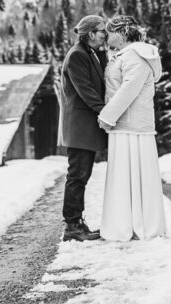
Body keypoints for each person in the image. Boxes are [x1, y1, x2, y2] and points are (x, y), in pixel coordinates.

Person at [98, 15, 166, 241]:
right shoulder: (131, 54)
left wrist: (107, 116)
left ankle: (135, 225)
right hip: (128, 124)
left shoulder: (135, 55)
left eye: (110, 31)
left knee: (131, 174)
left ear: (122, 32)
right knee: (130, 175)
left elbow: (129, 89)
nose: (107, 36)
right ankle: (130, 223)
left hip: (130, 126)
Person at [59, 14, 108, 242]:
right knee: (77, 175)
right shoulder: (77, 56)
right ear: (90, 34)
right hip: (80, 127)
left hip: (84, 128)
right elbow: (86, 91)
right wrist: (107, 112)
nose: (105, 35)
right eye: (102, 31)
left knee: (82, 175)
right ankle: (72, 226)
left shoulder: (91, 53)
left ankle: (76, 223)